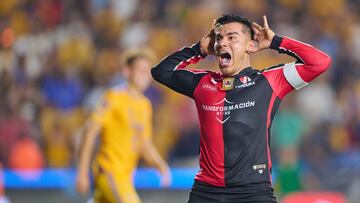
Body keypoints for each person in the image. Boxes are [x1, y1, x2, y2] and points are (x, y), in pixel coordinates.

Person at [151, 14, 331, 203]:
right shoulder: (203, 82)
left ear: (250, 46)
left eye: (232, 37)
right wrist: (199, 49)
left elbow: (320, 62)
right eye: (219, 38)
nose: (222, 43)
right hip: (206, 193)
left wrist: (276, 42)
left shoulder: (269, 81)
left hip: (253, 192)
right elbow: (161, 72)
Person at [76, 48, 171, 203]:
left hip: (125, 178)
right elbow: (91, 130)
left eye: (147, 71)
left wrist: (160, 165)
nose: (144, 75)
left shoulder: (145, 105)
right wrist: (82, 171)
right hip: (108, 171)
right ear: (127, 72)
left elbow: (144, 144)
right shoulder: (114, 98)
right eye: (140, 70)